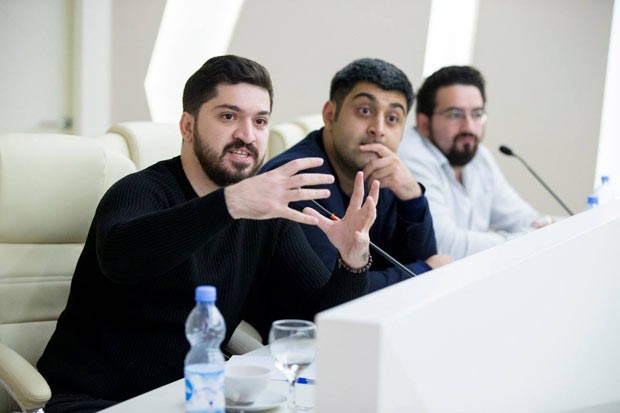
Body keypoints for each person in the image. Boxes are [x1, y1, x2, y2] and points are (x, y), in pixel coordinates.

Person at [36, 55, 379, 413]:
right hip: (93, 402)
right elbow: (122, 260)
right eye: (228, 116)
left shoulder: (266, 219)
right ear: (187, 126)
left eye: (260, 121)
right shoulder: (138, 192)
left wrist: (351, 262)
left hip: (196, 399)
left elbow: (314, 325)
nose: (247, 135)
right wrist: (229, 204)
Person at [262, 58, 452, 292]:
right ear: (330, 114)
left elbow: (421, 267)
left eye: (392, 118)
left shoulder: (386, 175)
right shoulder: (295, 180)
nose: (378, 129)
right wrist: (425, 272)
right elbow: (328, 293)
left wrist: (412, 197)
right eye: (365, 111)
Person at [398, 65, 550, 260]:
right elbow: (446, 245)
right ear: (424, 123)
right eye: (455, 115)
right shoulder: (410, 155)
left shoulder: (478, 156)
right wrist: (528, 240)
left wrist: (545, 228)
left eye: (477, 114)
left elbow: (521, 216)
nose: (469, 127)